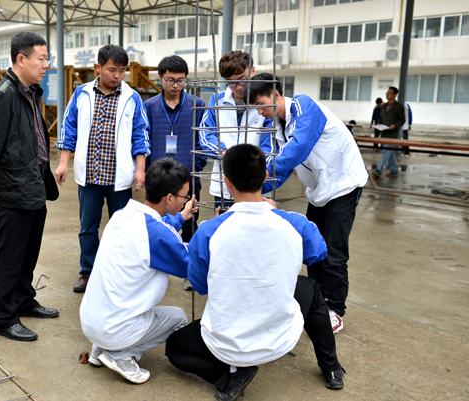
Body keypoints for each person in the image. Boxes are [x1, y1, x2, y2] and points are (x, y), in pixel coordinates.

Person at [165, 144, 344, 401]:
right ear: (266, 177)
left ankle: (229, 376)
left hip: (227, 343)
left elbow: (201, 286)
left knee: (174, 348)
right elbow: (318, 253)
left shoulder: (208, 231)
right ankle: (332, 369)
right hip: (279, 337)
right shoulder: (294, 223)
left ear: (227, 182)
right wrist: (276, 213)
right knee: (311, 288)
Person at [244, 73, 368, 334]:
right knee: (314, 247)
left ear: (276, 94)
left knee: (333, 252)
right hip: (319, 189)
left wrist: (264, 173)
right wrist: (251, 192)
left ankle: (335, 310)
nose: (260, 112)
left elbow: (297, 149)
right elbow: (278, 168)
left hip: (343, 185)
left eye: (262, 104)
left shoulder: (304, 106)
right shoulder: (276, 124)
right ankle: (317, 303)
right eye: (255, 108)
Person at [80, 158, 196, 384]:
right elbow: (191, 264)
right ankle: (120, 354)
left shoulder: (121, 215)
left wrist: (180, 217)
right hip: (115, 328)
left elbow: (157, 232)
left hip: (90, 320)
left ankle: (100, 349)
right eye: (184, 196)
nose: (185, 200)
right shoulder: (157, 234)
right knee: (178, 318)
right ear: (169, 197)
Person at [0, 31, 59, 342]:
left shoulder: (30, 92)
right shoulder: (3, 94)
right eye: (42, 59)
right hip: (13, 187)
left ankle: (24, 300)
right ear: (21, 59)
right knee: (9, 257)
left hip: (34, 184)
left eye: (47, 59)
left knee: (28, 252)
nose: (46, 65)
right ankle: (4, 318)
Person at [55, 45, 150, 293]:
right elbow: (69, 128)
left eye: (122, 71)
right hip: (89, 176)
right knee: (88, 227)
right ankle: (88, 271)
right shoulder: (82, 93)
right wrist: (63, 163)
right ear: (98, 67)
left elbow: (141, 134)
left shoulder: (132, 98)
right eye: (112, 70)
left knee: (121, 228)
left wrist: (140, 169)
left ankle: (118, 272)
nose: (117, 75)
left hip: (119, 177)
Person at [144, 55, 206, 291]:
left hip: (188, 178)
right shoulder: (149, 106)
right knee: (157, 222)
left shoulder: (197, 105)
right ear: (160, 78)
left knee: (190, 222)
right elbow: (144, 140)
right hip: (159, 178)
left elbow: (203, 140)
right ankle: (157, 265)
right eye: (170, 80)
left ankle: (190, 271)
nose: (175, 85)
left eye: (180, 80)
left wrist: (195, 167)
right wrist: (149, 172)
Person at [199, 50, 271, 212]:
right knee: (224, 224)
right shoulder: (217, 100)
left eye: (242, 80)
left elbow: (270, 145)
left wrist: (258, 166)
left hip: (255, 186)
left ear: (253, 71)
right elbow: (205, 134)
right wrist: (225, 153)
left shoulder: (264, 102)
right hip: (224, 185)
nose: (238, 87)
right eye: (231, 83)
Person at [372, 87, 406, 179]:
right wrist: (378, 122)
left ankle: (378, 171)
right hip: (384, 132)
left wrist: (395, 125)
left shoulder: (399, 107)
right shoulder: (383, 106)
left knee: (386, 151)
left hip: (392, 134)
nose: (387, 94)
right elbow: (380, 117)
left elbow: (402, 120)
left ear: (395, 95)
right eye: (387, 93)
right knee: (389, 152)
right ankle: (394, 169)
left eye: (390, 93)